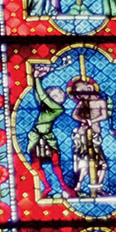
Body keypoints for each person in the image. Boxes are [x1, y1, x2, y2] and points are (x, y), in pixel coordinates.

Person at [26, 65, 75, 198]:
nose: (61, 95)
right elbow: (39, 95)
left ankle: (64, 186)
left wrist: (37, 79)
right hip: (36, 137)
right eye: (56, 94)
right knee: (35, 164)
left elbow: (42, 96)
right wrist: (38, 79)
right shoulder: (45, 106)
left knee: (55, 162)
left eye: (61, 93)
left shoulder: (57, 108)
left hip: (48, 138)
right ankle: (47, 186)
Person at [66, 76, 109, 195]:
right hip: (83, 136)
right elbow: (74, 115)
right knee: (85, 162)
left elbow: (104, 115)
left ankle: (98, 187)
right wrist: (84, 121)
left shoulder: (100, 102)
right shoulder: (82, 103)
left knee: (102, 164)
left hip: (95, 135)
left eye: (82, 92)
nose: (80, 96)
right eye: (78, 94)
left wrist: (92, 121)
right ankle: (79, 186)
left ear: (90, 88)